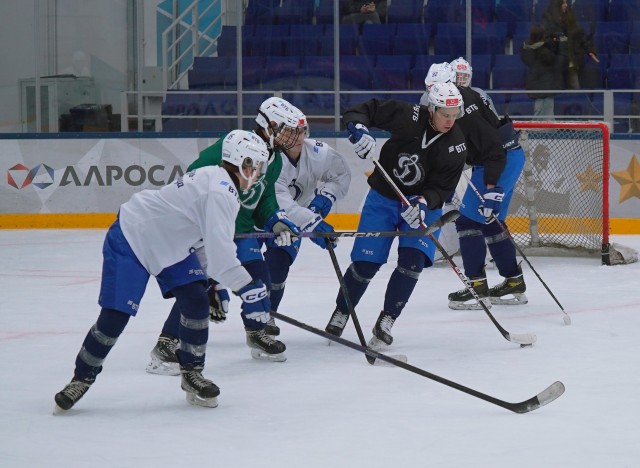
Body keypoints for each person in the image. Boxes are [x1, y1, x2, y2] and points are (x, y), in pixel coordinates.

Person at [53, 130, 271, 411]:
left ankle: (192, 373)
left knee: (195, 299)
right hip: (134, 236)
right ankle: (81, 377)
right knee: (115, 316)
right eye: (256, 166)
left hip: (170, 245)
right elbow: (221, 256)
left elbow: (204, 242)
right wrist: (249, 289)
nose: (258, 174)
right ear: (243, 163)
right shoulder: (222, 193)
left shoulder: (215, 178)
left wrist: (213, 283)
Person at [146, 97, 304, 373]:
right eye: (288, 130)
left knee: (261, 280)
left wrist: (275, 220)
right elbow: (196, 178)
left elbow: (263, 198)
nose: (293, 137)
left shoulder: (276, 159)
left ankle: (256, 333)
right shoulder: (232, 145)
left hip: (241, 232)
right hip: (210, 231)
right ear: (269, 127)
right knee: (200, 286)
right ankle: (167, 342)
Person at [324, 82, 467, 349]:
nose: (450, 121)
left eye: (455, 114)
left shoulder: (456, 144)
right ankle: (343, 310)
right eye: (445, 115)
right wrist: (358, 130)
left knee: (412, 261)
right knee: (366, 263)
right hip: (383, 198)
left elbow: (443, 188)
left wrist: (424, 202)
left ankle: (387, 318)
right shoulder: (409, 115)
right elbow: (364, 110)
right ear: (431, 109)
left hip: (422, 205)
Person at [444, 58, 528, 309]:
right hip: (512, 156)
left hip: (497, 161)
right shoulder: (475, 94)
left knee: (468, 221)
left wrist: (492, 186)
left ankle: (476, 286)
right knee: (491, 221)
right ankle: (513, 281)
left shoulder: (459, 104)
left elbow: (488, 145)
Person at [264, 110, 351, 320]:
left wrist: (325, 197)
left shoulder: (318, 153)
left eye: (302, 131)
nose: (300, 138)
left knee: (278, 266)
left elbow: (342, 174)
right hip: (261, 216)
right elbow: (281, 203)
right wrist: (312, 223)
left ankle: (266, 319)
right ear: (279, 133)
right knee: (221, 267)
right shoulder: (269, 159)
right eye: (293, 132)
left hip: (291, 223)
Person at [541, 0, 599, 89]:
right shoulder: (547, 20)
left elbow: (580, 35)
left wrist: (589, 49)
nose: (566, 5)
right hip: (556, 65)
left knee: (575, 91)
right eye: (563, 3)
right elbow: (545, 40)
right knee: (558, 93)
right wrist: (557, 39)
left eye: (566, 2)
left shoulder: (569, 16)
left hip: (571, 63)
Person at [520, 24, 568, 117]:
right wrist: (562, 45)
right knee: (543, 114)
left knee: (543, 111)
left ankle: (540, 129)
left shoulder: (527, 49)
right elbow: (561, 62)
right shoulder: (544, 53)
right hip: (545, 85)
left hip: (537, 83)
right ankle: (537, 130)